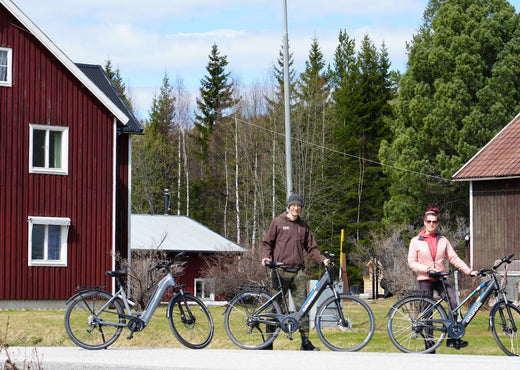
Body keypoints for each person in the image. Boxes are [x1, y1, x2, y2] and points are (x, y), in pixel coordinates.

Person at [262, 193, 330, 351]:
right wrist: (266, 257)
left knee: (304, 308)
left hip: (298, 273)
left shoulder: (303, 226)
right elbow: (267, 243)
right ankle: (267, 343)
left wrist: (323, 260)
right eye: (293, 205)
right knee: (274, 307)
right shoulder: (278, 222)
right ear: (288, 206)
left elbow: (312, 250)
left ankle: (305, 341)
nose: (296, 208)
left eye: (299, 206)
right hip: (279, 271)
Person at [408, 205, 478, 350]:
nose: (431, 224)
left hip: (441, 278)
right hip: (425, 279)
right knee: (428, 311)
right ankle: (429, 343)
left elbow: (453, 258)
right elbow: (411, 262)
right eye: (429, 221)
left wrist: (468, 271)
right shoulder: (416, 241)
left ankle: (452, 339)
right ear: (424, 222)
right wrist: (427, 269)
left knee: (453, 304)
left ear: (438, 224)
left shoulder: (443, 240)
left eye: (434, 222)